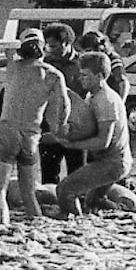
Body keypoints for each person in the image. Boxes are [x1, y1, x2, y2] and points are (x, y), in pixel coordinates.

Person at [0, 32, 69, 224]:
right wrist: (59, 128)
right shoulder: (53, 75)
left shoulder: (13, 67)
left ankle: (1, 230)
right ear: (43, 47)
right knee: (29, 195)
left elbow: (6, 47)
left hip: (7, 133)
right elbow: (63, 107)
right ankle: (38, 230)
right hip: (31, 136)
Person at [48, 52, 134, 216]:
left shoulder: (105, 101)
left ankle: (74, 225)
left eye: (85, 75)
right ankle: (125, 214)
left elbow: (103, 142)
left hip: (112, 163)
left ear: (100, 76)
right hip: (109, 161)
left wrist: (72, 145)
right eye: (80, 74)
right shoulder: (92, 95)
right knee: (93, 203)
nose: (80, 79)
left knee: (65, 190)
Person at [38, 23, 87, 189]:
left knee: (78, 173)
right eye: (48, 46)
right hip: (49, 128)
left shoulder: (83, 64)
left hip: (77, 129)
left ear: (67, 43)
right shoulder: (44, 65)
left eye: (53, 46)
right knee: (49, 175)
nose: (50, 50)